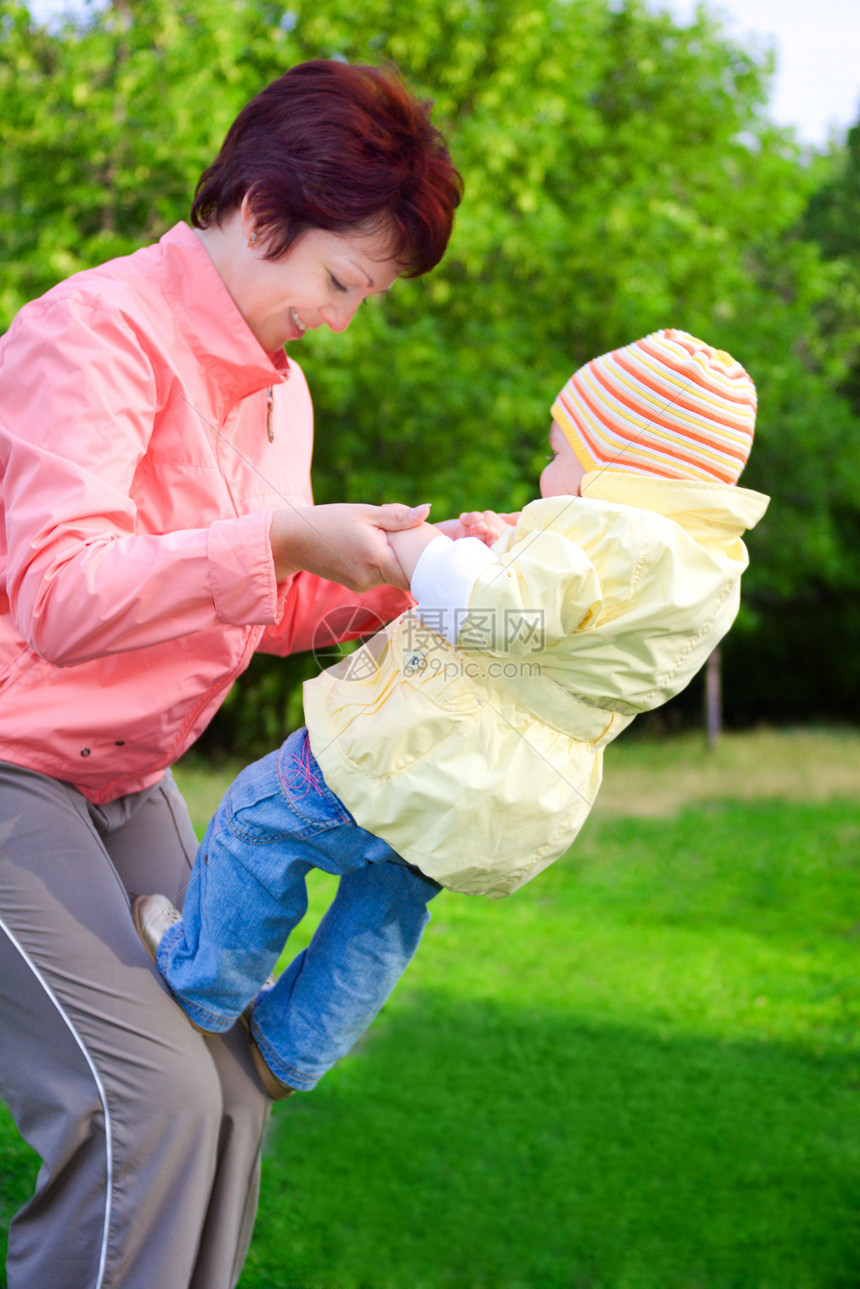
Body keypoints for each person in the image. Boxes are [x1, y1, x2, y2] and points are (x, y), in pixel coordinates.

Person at [0, 59, 462, 1289]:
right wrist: (275, 537)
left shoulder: (280, 393)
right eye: (339, 281)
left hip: (127, 782)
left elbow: (261, 602)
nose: (341, 319)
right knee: (142, 1102)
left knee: (232, 1083)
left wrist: (417, 575)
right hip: (13, 767)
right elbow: (59, 593)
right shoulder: (88, 333)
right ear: (261, 212)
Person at [133, 328, 770, 1101]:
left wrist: (412, 556)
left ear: (618, 463)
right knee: (385, 907)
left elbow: (491, 615)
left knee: (263, 817)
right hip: (504, 795)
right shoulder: (698, 571)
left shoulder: (605, 531)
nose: (545, 473)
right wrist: (507, 549)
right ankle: (288, 1050)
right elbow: (563, 628)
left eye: (559, 454)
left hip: (422, 745)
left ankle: (204, 980)